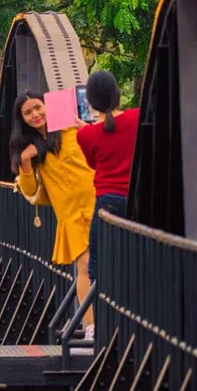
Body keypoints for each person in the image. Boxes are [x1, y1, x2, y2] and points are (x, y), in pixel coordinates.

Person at [10, 90, 96, 339]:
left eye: (38, 107)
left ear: (47, 106)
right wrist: (25, 162)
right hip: (70, 215)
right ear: (22, 119)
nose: (35, 114)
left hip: (97, 205)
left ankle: (116, 323)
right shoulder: (30, 149)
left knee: (107, 266)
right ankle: (90, 328)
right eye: (28, 112)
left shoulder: (71, 130)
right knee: (84, 266)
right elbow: (29, 190)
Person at [76, 71, 139, 289]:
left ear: (90, 101)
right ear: (117, 93)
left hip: (108, 202)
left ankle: (104, 319)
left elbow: (94, 164)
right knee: (138, 260)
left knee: (98, 264)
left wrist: (88, 130)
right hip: (139, 199)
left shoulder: (85, 135)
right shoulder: (136, 117)